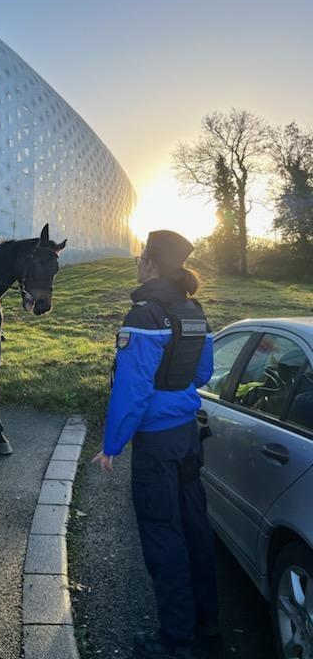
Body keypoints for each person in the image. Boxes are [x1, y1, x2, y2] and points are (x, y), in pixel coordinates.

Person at [92, 230, 218, 659]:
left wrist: (112, 445)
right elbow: (203, 373)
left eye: (142, 257)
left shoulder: (144, 316)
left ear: (150, 264)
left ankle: (175, 639)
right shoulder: (194, 309)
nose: (138, 263)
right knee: (195, 529)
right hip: (187, 435)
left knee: (162, 534)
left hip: (157, 443)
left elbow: (132, 391)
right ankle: (208, 624)